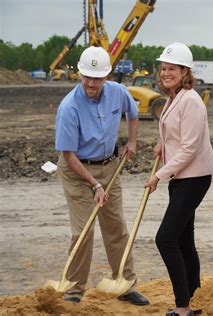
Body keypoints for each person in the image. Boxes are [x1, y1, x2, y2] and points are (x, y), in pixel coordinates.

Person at [55, 46, 149, 305]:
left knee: (116, 227)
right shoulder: (69, 108)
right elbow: (68, 156)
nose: (91, 83)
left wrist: (132, 141)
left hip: (110, 166)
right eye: (86, 77)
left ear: (106, 77)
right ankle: (74, 289)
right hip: (77, 171)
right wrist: (95, 184)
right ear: (80, 75)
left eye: (97, 78)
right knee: (83, 231)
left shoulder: (118, 93)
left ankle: (125, 283)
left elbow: (133, 113)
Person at [144, 42, 213, 316]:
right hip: (181, 177)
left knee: (165, 239)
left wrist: (159, 176)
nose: (165, 73)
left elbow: (190, 147)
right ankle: (196, 299)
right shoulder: (173, 98)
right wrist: (163, 144)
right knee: (184, 241)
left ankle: (183, 306)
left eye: (171, 68)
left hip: (193, 178)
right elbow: (176, 136)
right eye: (163, 68)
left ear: (185, 71)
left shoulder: (191, 101)